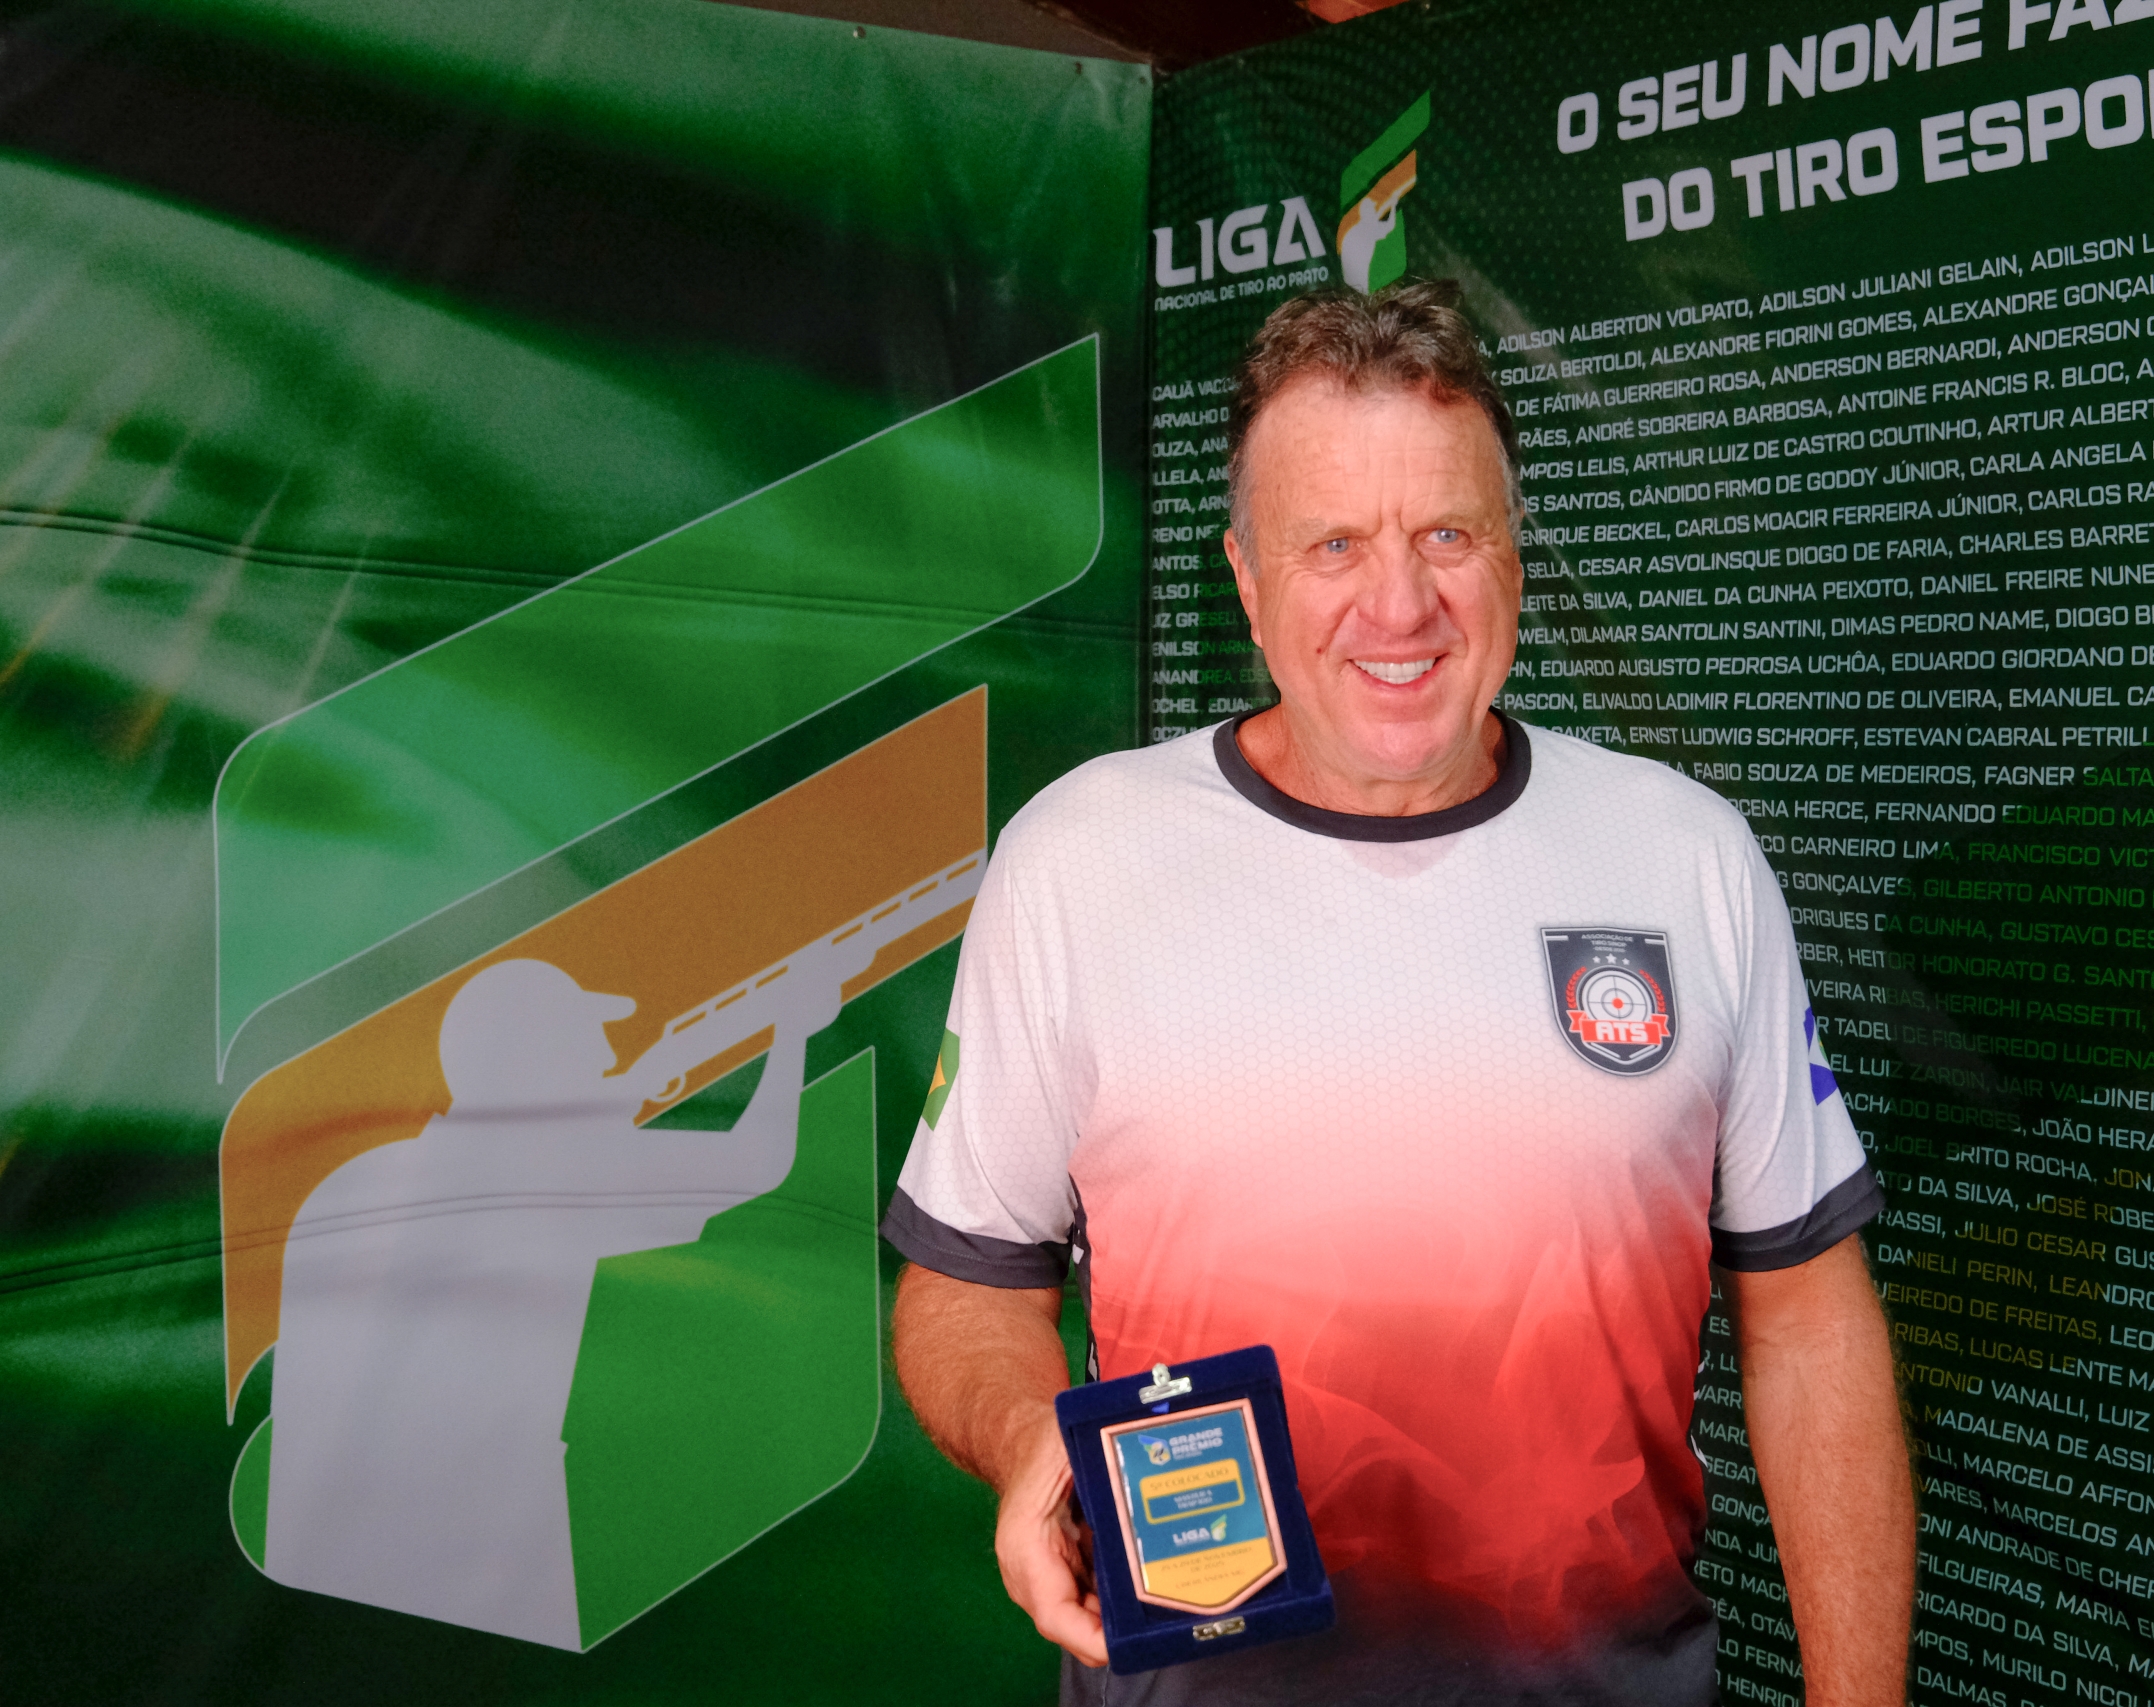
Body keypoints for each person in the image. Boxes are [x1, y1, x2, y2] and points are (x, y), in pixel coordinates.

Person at [884, 281, 1914, 1704]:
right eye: (1334, 544)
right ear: (1248, 580)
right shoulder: (1083, 859)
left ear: (1514, 559)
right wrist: (1028, 1440)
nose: (1400, 603)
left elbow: (1806, 1318)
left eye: (1447, 534)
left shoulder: (1685, 856)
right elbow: (963, 1283)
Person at [264, 956, 828, 1649]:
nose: (607, 1059)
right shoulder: (553, 1174)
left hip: (323, 1578)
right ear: (537, 1063)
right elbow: (757, 1162)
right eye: (587, 1044)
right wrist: (791, 1033)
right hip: (479, 1567)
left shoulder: (360, 1179)